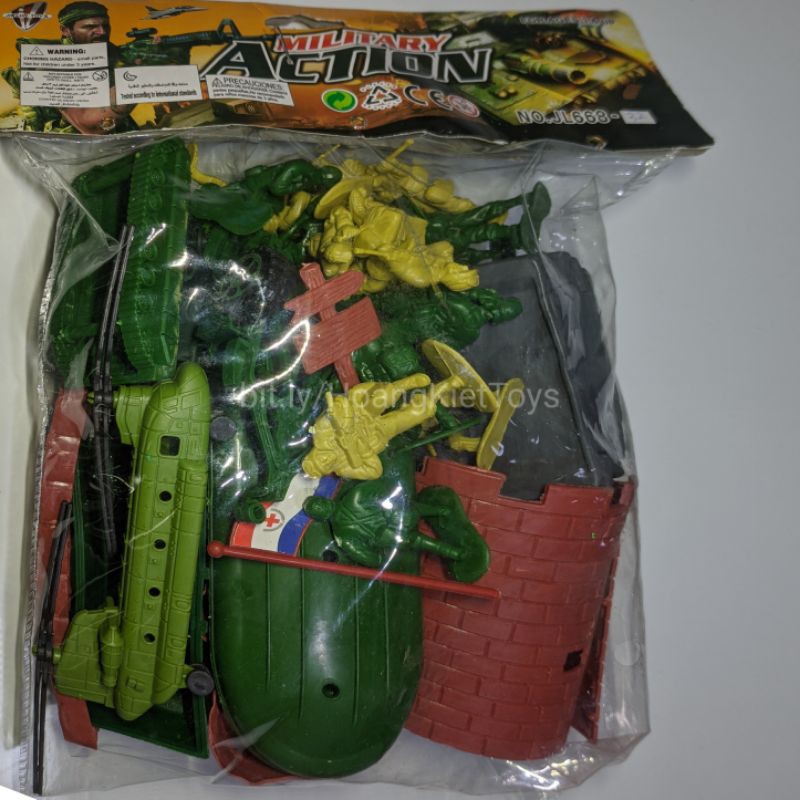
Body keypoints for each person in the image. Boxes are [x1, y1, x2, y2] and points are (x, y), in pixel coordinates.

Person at [0, 1, 135, 133]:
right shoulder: (43, 60)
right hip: (60, 132)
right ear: (65, 30)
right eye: (90, 27)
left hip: (108, 126)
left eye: (105, 26)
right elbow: (34, 115)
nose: (102, 32)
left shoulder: (118, 54)